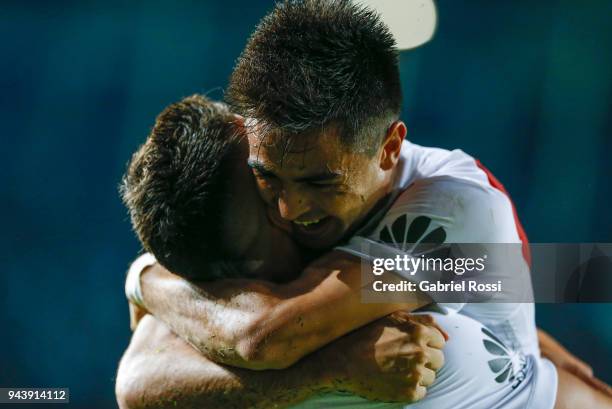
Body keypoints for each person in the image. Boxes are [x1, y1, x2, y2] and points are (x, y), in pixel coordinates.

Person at [116, 95, 611, 409]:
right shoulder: (382, 351)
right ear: (232, 279)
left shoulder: (420, 211)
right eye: (269, 207)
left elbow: (534, 273)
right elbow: (140, 382)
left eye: (270, 172)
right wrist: (324, 372)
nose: (293, 207)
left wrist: (144, 278)